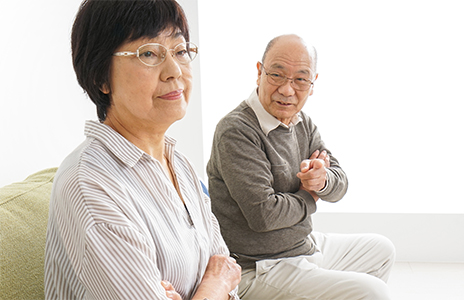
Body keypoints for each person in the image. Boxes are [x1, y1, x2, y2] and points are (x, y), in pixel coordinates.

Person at [44, 1, 240, 299]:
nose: (174, 71)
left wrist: (219, 284)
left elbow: (226, 270)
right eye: (149, 53)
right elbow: (222, 280)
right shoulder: (89, 184)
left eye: (180, 51)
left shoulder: (181, 165)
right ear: (100, 77)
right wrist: (214, 287)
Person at [207, 34, 395, 300]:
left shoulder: (302, 123)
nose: (287, 89)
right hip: (259, 267)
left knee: (381, 249)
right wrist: (310, 196)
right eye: (277, 75)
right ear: (260, 73)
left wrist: (323, 179)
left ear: (312, 83)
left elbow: (339, 183)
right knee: (373, 292)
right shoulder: (236, 130)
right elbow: (264, 215)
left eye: (300, 79)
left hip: (302, 247)